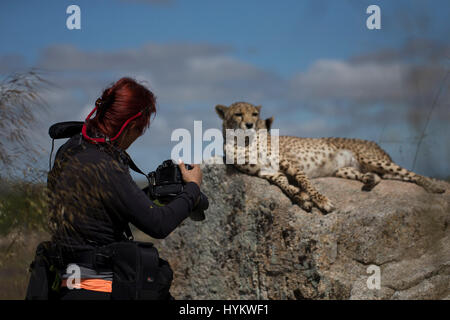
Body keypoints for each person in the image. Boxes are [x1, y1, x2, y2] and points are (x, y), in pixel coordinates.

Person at [46, 77, 202, 300]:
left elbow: (99, 208)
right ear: (130, 127)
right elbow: (159, 224)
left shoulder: (71, 148)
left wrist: (150, 195)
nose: (137, 137)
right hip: (99, 290)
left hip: (67, 287)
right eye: (140, 131)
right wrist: (193, 188)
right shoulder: (105, 165)